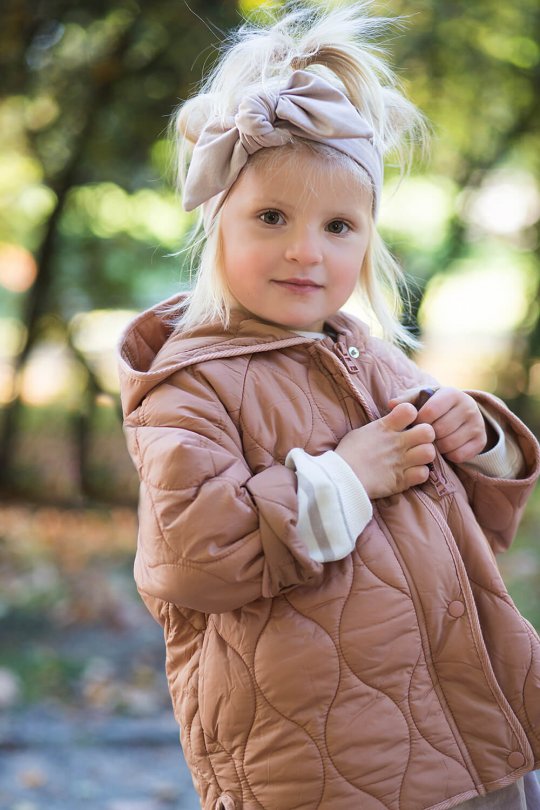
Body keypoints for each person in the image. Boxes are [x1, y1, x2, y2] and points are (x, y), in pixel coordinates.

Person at [117, 3, 540, 808]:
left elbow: (470, 526)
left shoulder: (371, 357)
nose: (305, 249)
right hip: (317, 751)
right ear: (217, 227)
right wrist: (345, 475)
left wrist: (480, 438)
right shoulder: (190, 385)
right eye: (271, 217)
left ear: (368, 244)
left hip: (458, 721)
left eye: (338, 225)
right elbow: (195, 560)